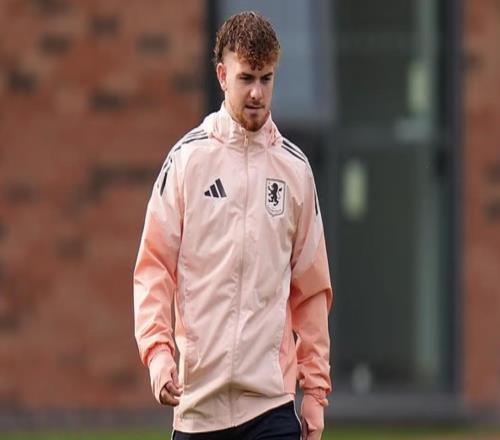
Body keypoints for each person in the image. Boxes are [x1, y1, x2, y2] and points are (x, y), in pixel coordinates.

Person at [134, 11, 333, 440]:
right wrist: (158, 354)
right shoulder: (187, 162)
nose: (257, 92)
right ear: (223, 76)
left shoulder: (295, 171)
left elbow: (311, 290)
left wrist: (315, 393)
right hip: (197, 407)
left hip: (271, 406)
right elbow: (154, 267)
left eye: (266, 78)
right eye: (246, 78)